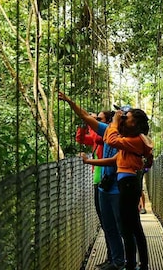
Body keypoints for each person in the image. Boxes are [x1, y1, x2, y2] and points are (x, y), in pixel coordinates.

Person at [58, 91, 125, 270]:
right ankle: (115, 261)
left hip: (119, 188)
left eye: (121, 115)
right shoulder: (107, 131)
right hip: (104, 187)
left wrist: (89, 161)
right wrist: (70, 101)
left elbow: (114, 160)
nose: (117, 117)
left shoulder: (127, 138)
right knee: (109, 226)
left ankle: (124, 261)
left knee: (122, 227)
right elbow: (85, 118)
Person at [104, 107, 153, 270]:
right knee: (134, 226)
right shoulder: (140, 139)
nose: (126, 119)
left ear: (136, 123)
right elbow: (150, 158)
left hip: (128, 184)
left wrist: (115, 121)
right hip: (130, 183)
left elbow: (111, 140)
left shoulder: (135, 141)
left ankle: (131, 265)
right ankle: (141, 264)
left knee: (127, 227)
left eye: (129, 118)